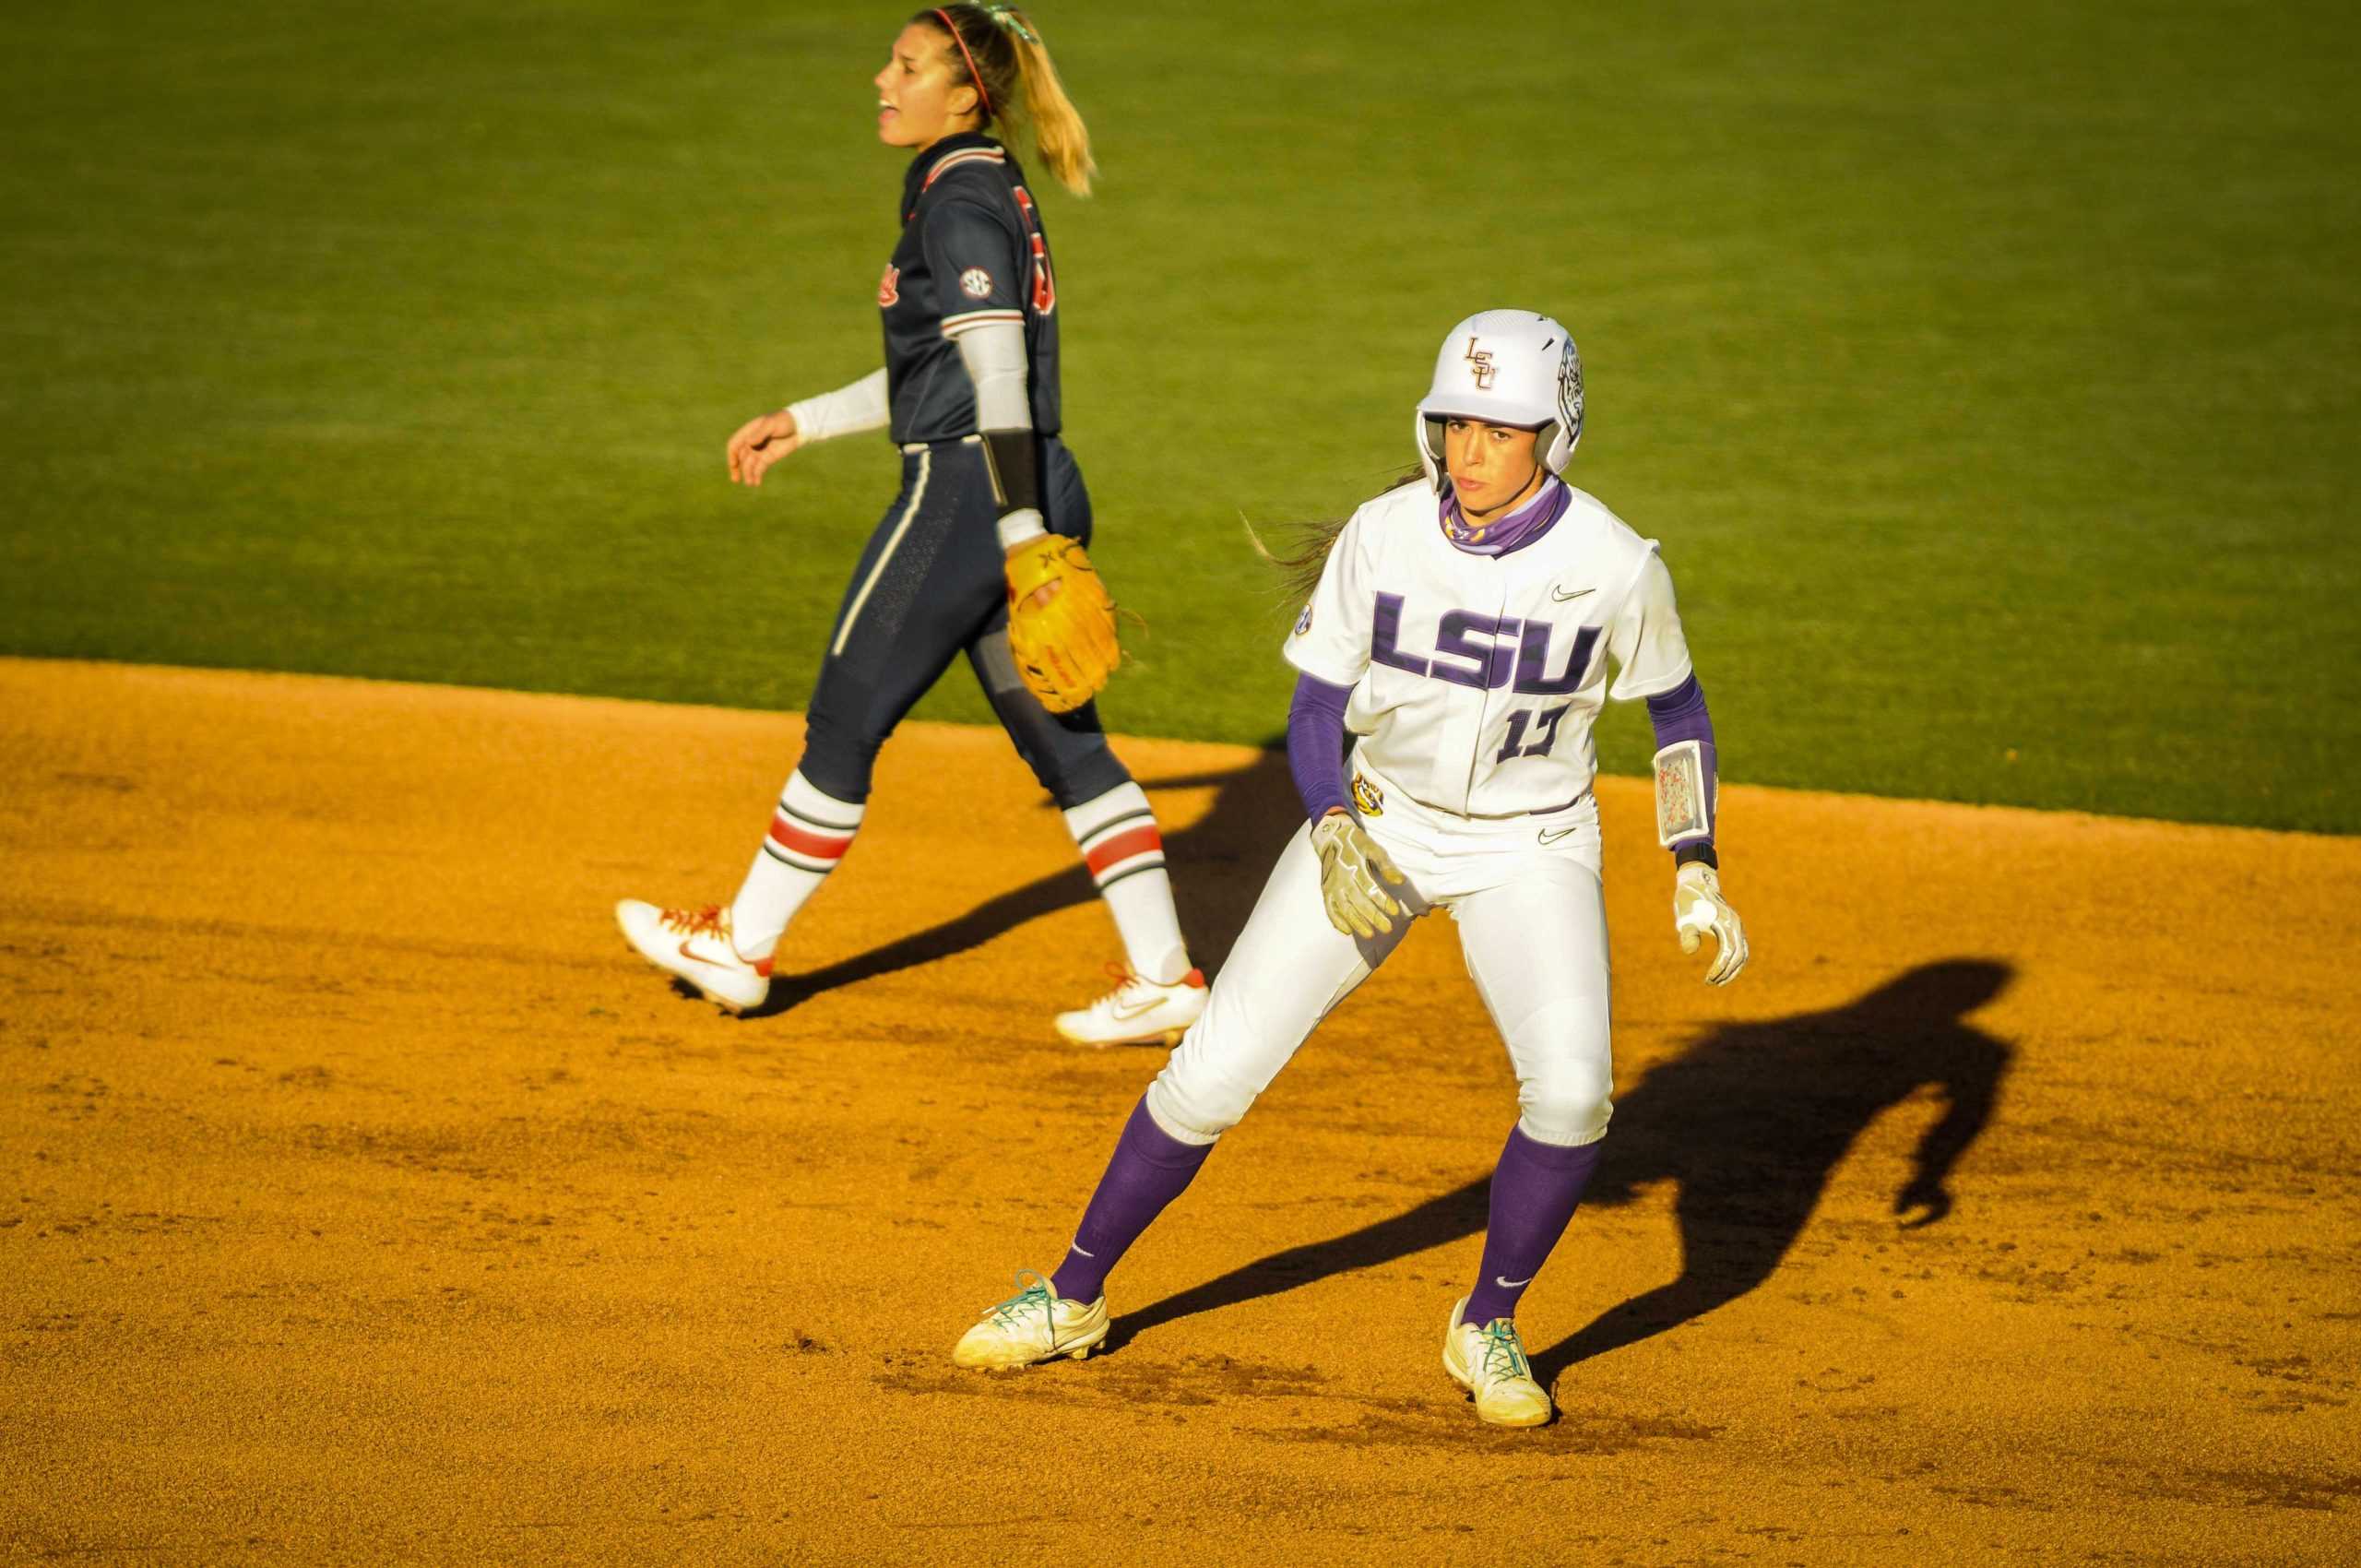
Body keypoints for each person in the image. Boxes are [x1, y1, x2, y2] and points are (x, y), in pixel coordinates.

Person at [947, 310, 1750, 1428]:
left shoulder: (1615, 565)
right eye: (1453, 424)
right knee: (1211, 1069)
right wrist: (1328, 819)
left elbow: (1676, 707)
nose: (1469, 452)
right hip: (1375, 821)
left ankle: (1489, 1320)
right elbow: (1318, 702)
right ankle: (1069, 1293)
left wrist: (1694, 857)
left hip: (1531, 844)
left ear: (1553, 435)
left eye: (1498, 430)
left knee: (1572, 1094)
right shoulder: (1383, 534)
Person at [615, 6, 1206, 1047]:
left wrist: (1017, 530)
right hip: (1020, 484)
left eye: (906, 66)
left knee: (845, 717)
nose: (879, 80)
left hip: (971, 496)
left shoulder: (962, 201)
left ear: (967, 91)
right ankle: (1166, 975)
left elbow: (994, 377)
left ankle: (740, 945)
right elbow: (934, 374)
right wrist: (807, 420)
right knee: (1065, 745)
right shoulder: (971, 184)